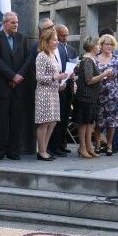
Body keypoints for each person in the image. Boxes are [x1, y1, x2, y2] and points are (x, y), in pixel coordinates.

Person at [0, 11, 29, 161]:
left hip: (18, 87)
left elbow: (27, 59)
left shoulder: (22, 38)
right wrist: (11, 76)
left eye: (17, 22)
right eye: (12, 22)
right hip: (3, 87)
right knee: (1, 120)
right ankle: (0, 151)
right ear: (4, 23)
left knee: (16, 120)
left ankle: (13, 151)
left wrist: (19, 76)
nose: (16, 25)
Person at [33, 30, 69, 161]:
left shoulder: (53, 55)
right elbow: (39, 77)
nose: (57, 42)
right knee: (44, 122)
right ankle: (41, 151)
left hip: (54, 92)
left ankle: (45, 149)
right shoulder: (41, 56)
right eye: (54, 40)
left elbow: (56, 75)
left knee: (53, 122)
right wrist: (56, 77)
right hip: (44, 93)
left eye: (56, 40)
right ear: (46, 41)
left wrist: (62, 80)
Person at [93, 34, 118, 156]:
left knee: (112, 121)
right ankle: (97, 144)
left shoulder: (117, 59)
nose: (109, 46)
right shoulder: (95, 58)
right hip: (98, 94)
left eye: (111, 44)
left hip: (113, 94)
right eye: (107, 44)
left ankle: (109, 145)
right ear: (101, 45)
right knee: (98, 120)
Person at [73, 37, 103, 159]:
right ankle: (82, 147)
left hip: (92, 97)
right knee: (84, 123)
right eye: (98, 45)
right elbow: (89, 80)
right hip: (85, 96)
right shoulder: (87, 60)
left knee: (89, 123)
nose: (99, 47)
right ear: (92, 46)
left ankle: (89, 146)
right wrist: (104, 75)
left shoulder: (92, 59)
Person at [52, 25, 76, 155]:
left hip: (69, 84)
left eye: (67, 35)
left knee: (66, 115)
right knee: (58, 116)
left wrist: (73, 72)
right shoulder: (55, 49)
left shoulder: (71, 49)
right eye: (62, 35)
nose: (65, 38)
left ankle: (62, 143)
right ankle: (54, 145)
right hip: (58, 84)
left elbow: (72, 64)